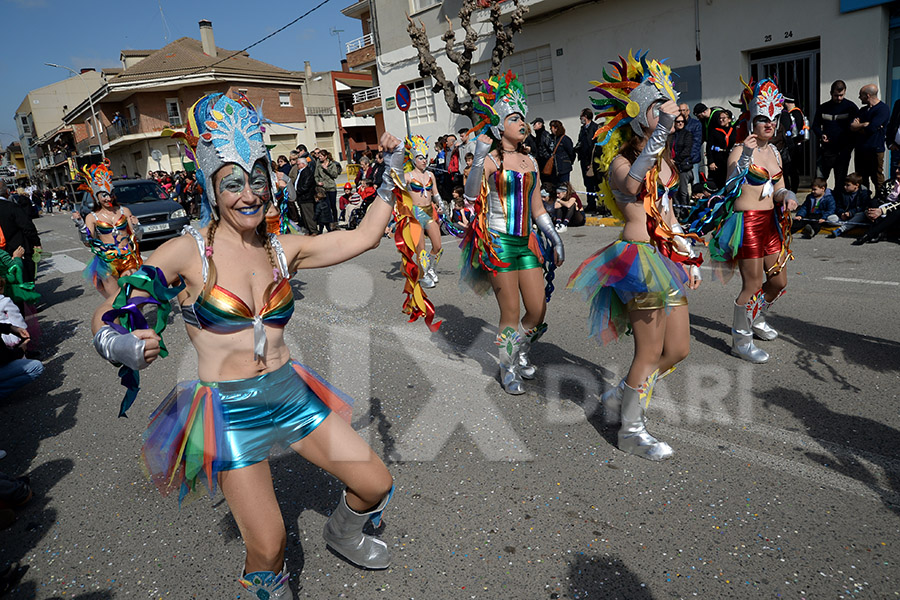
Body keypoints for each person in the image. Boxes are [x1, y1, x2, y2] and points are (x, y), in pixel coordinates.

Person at [91, 93, 402, 597]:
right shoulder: (186, 253)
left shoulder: (284, 247)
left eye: (256, 179)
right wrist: (119, 343)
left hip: (288, 391)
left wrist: (391, 170)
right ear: (212, 189)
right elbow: (111, 309)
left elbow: (364, 236)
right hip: (228, 411)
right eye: (233, 183)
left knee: (375, 484)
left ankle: (342, 532)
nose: (248, 194)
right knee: (270, 542)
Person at [569, 51, 702, 460]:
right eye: (661, 106)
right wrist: (661, 134)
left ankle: (620, 394)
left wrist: (686, 251)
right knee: (647, 351)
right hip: (637, 261)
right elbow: (632, 184)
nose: (672, 110)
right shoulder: (621, 162)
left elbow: (667, 212)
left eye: (670, 103)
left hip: (666, 259)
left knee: (678, 349)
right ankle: (631, 429)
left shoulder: (663, 162)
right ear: (641, 113)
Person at [460, 71, 564, 395]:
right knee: (511, 312)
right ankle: (507, 368)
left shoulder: (530, 161)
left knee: (537, 310)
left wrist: (554, 237)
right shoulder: (491, 160)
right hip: (498, 241)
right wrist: (477, 158)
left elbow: (537, 207)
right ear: (500, 124)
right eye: (515, 117)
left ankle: (518, 350)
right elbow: (469, 194)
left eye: (523, 117)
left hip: (527, 241)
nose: (522, 123)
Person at [688, 78, 798, 364]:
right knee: (752, 285)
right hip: (747, 223)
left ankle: (756, 317)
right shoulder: (739, 150)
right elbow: (733, 183)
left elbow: (780, 186)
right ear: (751, 120)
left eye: (774, 119)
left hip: (770, 222)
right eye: (763, 119)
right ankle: (740, 339)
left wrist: (788, 196)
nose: (770, 124)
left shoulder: (774, 151)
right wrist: (747, 154)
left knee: (778, 281)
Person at [72, 161, 142, 298]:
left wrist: (137, 226)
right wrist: (80, 225)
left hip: (128, 258)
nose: (108, 198)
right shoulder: (92, 218)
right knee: (116, 299)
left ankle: (137, 319)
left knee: (134, 297)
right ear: (96, 197)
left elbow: (137, 237)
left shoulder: (124, 211)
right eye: (104, 195)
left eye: (111, 194)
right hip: (107, 262)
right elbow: (88, 242)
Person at [403, 135, 444, 288]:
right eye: (420, 158)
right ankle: (423, 273)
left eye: (425, 158)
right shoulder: (408, 176)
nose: (424, 161)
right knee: (421, 247)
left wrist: (440, 205)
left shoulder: (430, 175)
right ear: (414, 159)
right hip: (415, 212)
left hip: (429, 211)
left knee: (437, 246)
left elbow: (436, 193)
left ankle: (431, 268)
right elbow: (396, 188)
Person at [813, 80, 858, 194]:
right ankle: (818, 202)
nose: (838, 98)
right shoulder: (823, 108)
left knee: (840, 181)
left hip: (843, 150)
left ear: (845, 92)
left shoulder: (850, 107)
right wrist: (821, 135)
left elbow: (856, 128)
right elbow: (815, 125)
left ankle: (837, 204)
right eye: (836, 95)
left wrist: (849, 147)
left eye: (841, 95)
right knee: (820, 179)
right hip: (827, 150)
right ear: (831, 93)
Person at [0, 182, 41, 285]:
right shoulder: (11, 207)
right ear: (7, 192)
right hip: (18, 248)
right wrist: (36, 242)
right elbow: (27, 226)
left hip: (2, 252)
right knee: (24, 277)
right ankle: (27, 298)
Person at [851, 84, 890, 191]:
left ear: (868, 95)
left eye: (861, 96)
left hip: (875, 149)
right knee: (861, 177)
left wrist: (862, 126)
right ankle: (864, 200)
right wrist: (864, 125)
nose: (859, 98)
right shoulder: (863, 110)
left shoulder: (883, 109)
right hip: (861, 149)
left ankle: (880, 199)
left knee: (877, 177)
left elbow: (872, 128)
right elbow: (852, 126)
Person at [853, 165, 900, 244]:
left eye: (899, 169)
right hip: (884, 210)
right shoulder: (889, 182)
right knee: (873, 203)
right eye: (897, 168)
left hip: (895, 213)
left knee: (897, 212)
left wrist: (882, 210)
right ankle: (880, 233)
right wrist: (868, 211)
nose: (897, 171)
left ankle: (869, 234)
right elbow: (878, 197)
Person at [829, 172, 876, 237]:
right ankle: (850, 224)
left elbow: (863, 207)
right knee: (830, 219)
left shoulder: (864, 193)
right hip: (845, 217)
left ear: (856, 185)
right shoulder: (843, 193)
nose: (845, 187)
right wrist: (842, 213)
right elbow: (838, 206)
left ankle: (841, 229)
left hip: (856, 215)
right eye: (845, 184)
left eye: (848, 185)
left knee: (861, 215)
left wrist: (851, 213)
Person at [575, 108, 599, 212]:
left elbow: (593, 145)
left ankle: (601, 205)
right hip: (584, 160)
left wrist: (591, 162)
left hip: (592, 161)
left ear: (586, 117)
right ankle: (591, 204)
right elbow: (581, 142)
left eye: (581, 117)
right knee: (587, 184)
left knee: (596, 184)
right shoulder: (582, 129)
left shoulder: (595, 128)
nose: (581, 119)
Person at [706, 109, 735, 190]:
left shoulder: (733, 130)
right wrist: (711, 161)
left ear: (729, 119)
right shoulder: (714, 131)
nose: (721, 120)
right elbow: (709, 147)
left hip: (729, 157)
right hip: (718, 159)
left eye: (723, 118)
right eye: (720, 118)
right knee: (718, 182)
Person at [314, 150, 342, 229]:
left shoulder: (332, 164)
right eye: (319, 156)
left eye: (321, 156)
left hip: (331, 187)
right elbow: (316, 175)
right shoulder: (318, 165)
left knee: (333, 206)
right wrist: (318, 182)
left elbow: (335, 175)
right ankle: (328, 223)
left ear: (325, 156)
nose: (319, 158)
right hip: (323, 188)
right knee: (326, 206)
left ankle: (335, 223)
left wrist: (327, 169)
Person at [671, 113, 694, 207]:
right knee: (674, 190)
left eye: (682, 121)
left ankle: (685, 211)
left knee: (683, 191)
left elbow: (687, 150)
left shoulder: (687, 134)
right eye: (678, 121)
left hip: (682, 165)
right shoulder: (672, 135)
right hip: (672, 166)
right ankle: (676, 212)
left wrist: (676, 160)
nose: (680, 123)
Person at [680, 103, 703, 185]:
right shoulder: (677, 124)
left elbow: (696, 143)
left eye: (684, 110)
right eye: (680, 110)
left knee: (695, 182)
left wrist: (688, 156)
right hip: (680, 160)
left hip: (692, 159)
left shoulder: (695, 124)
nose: (682, 112)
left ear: (688, 111)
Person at [547, 120, 575, 186]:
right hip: (554, 169)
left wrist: (568, 162)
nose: (550, 130)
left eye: (551, 128)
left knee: (564, 187)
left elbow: (571, 153)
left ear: (556, 128)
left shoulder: (565, 139)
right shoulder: (551, 138)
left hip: (563, 168)